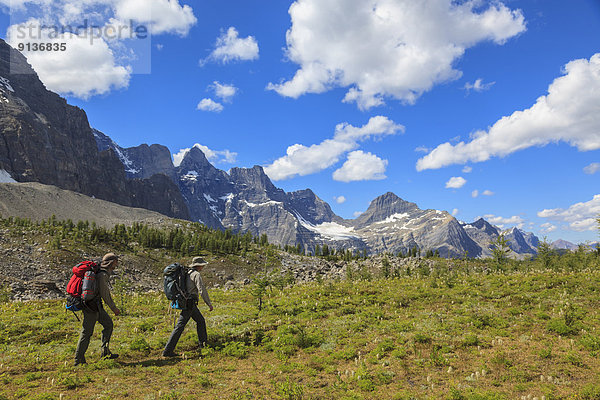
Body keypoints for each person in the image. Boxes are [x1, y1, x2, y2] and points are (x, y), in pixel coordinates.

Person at [74, 253, 121, 365]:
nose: (117, 263)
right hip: (91, 307)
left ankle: (105, 352)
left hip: (95, 306)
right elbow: (105, 294)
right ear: (111, 262)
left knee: (108, 324)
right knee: (87, 332)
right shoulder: (102, 275)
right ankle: (78, 359)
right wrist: (114, 308)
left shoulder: (99, 270)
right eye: (116, 261)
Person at [163, 256, 214, 357]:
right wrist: (208, 303)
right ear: (199, 266)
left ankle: (203, 345)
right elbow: (202, 289)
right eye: (202, 265)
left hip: (185, 302)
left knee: (200, 321)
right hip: (190, 303)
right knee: (180, 326)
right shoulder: (196, 274)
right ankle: (168, 351)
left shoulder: (186, 273)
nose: (203, 267)